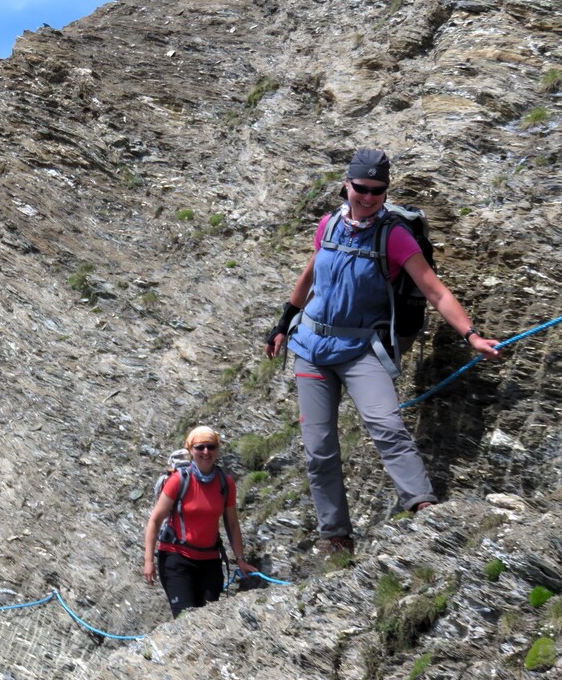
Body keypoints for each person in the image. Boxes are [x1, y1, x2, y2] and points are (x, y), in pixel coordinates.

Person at [265, 148, 500, 554]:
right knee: (319, 448)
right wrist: (283, 323)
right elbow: (310, 275)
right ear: (347, 184)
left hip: (360, 350)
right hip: (311, 347)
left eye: (378, 190)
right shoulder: (329, 226)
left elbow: (434, 289)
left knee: (387, 427)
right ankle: (335, 535)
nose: (369, 196)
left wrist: (471, 335)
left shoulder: (393, 235)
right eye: (361, 188)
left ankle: (422, 506)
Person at [144, 426, 258, 617]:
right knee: (185, 619)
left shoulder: (225, 482)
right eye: (200, 447)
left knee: (208, 619)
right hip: (176, 559)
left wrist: (241, 559)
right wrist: (148, 561)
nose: (206, 452)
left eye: (211, 447)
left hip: (210, 563)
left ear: (217, 450)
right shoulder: (179, 480)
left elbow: (232, 524)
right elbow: (155, 520)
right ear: (191, 450)